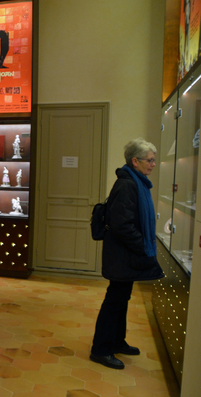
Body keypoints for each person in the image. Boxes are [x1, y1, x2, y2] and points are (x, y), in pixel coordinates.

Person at [90, 138, 164, 369]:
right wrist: (142, 246)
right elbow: (122, 225)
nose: (153, 164)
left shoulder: (135, 182)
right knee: (115, 300)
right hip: (123, 254)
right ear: (135, 161)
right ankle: (101, 349)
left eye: (153, 160)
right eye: (149, 160)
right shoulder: (128, 185)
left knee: (121, 299)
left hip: (126, 254)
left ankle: (117, 341)